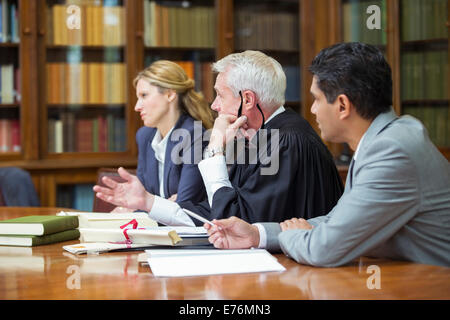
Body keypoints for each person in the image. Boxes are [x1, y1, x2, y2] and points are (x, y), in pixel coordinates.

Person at [205, 42, 450, 268]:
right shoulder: (383, 140)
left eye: (316, 99)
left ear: (342, 106)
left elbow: (324, 247)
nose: (311, 110)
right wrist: (258, 234)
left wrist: (295, 233)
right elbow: (334, 222)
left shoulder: (391, 151)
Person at [94, 50, 343, 226]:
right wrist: (148, 202)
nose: (213, 106)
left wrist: (215, 151)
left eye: (220, 96)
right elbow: (211, 212)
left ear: (247, 99)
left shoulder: (283, 140)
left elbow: (233, 221)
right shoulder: (258, 137)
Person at [99, 60, 214, 213]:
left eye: (144, 95)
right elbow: (140, 199)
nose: (137, 106)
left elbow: (183, 205)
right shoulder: (144, 136)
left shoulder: (195, 134)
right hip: (154, 231)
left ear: (169, 94)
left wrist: (144, 204)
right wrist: (155, 203)